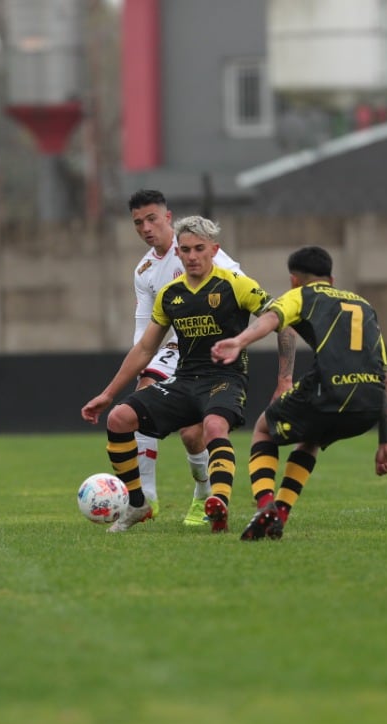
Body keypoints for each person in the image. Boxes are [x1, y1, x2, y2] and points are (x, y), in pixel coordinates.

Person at [81, 215, 294, 533]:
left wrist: (285, 379)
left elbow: (282, 322)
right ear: (177, 253)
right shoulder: (170, 295)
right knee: (119, 418)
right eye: (185, 250)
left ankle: (218, 502)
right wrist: (108, 394)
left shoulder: (235, 284)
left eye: (199, 249)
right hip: (185, 379)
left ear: (213, 250)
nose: (192, 256)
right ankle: (138, 504)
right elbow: (144, 349)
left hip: (226, 378)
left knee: (212, 426)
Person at [210, 245, 387, 540]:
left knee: (263, 429)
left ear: (293, 280)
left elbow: (271, 319)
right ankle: (279, 516)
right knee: (311, 437)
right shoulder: (364, 304)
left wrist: (239, 341)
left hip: (331, 390)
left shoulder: (301, 294)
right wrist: (386, 440)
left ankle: (265, 505)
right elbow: (384, 374)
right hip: (368, 405)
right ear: (332, 279)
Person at [127, 189, 244, 526]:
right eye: (138, 223)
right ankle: (147, 497)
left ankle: (203, 493)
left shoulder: (198, 252)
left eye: (152, 218)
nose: (146, 228)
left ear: (167, 217)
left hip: (209, 349)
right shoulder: (144, 270)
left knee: (193, 435)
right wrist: (143, 365)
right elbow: (143, 325)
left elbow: (242, 288)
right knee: (141, 399)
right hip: (173, 347)